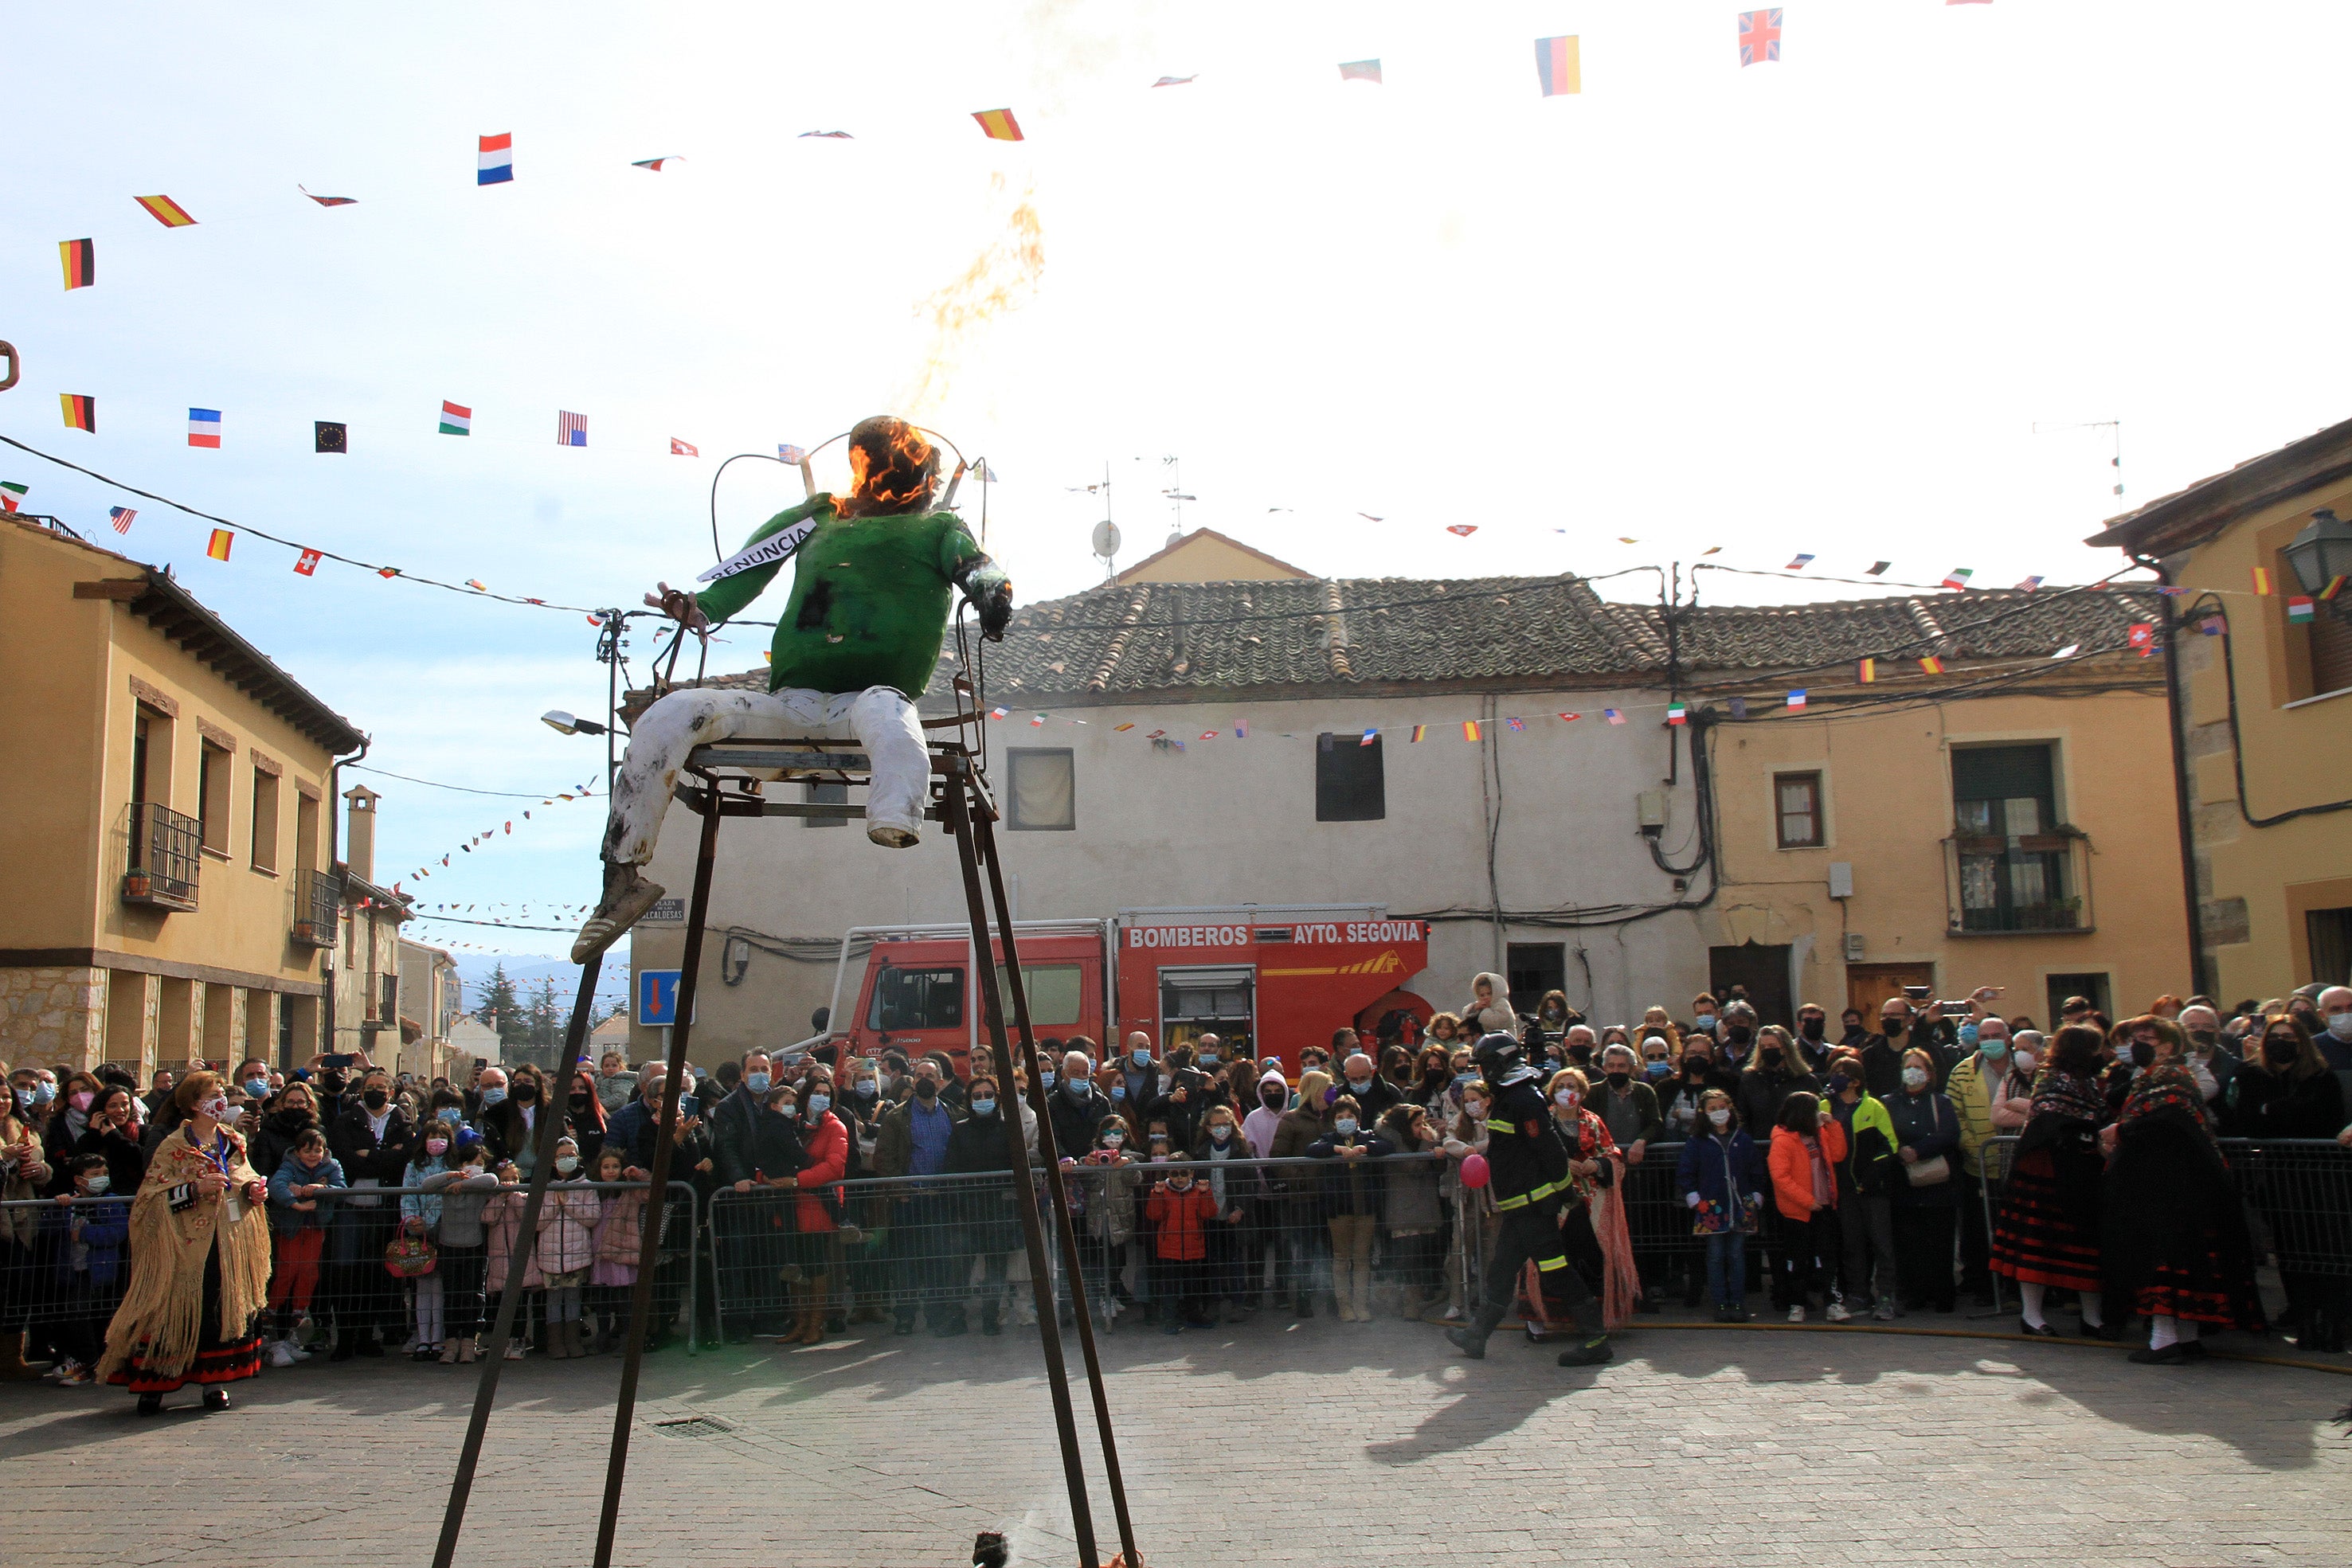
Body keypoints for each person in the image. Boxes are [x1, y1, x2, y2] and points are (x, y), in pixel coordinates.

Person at [573, 415, 1015, 960]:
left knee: (892, 721)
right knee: (668, 713)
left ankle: (896, 817)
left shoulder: (938, 529)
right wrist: (700, 607)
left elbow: (980, 569)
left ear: (919, 472)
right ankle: (622, 876)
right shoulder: (818, 516)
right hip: (789, 703)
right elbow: (748, 569)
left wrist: (993, 597)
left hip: (873, 696)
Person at [97, 1073, 271, 1414]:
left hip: (224, 1241)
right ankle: (155, 1385)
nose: (221, 1099)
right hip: (181, 1244)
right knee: (169, 1310)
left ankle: (213, 1382)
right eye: (213, 1094)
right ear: (194, 1103)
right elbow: (150, 1198)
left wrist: (252, 1190)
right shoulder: (173, 1146)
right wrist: (194, 1189)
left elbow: (243, 1174)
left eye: (222, 1093)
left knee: (216, 1310)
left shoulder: (233, 1140)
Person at [1446, 1033, 1610, 1367]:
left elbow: (1549, 1150)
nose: (1483, 1072)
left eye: (1487, 1065)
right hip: (1518, 1208)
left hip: (1534, 1207)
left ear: (1502, 1061)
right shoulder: (1510, 1097)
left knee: (1556, 1272)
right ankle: (1477, 1336)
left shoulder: (1523, 1099)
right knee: (1501, 1271)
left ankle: (1596, 1340)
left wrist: (1566, 1193)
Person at [2103, 1047, 2264, 1363]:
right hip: (2198, 1205)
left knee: (2165, 1266)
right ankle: (2188, 1338)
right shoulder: (2189, 1114)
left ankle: (2164, 1341)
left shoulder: (2162, 1115)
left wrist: (2121, 1130)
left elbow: (2153, 1133)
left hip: (2164, 1204)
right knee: (2192, 1267)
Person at [2227, 1014, 2346, 1351]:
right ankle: (2306, 1323)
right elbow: (2247, 1118)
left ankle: (2334, 1324)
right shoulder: (2252, 1075)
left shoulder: (2320, 1076)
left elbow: (2324, 1118)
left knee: (2328, 1251)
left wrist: (2273, 1110)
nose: (2282, 1042)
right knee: (2291, 1253)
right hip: (2278, 1179)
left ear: (2303, 1042)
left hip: (2321, 1175)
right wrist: (2279, 1112)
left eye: (2290, 1037)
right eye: (2275, 1036)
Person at [1990, 1025, 2110, 1339]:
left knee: (2085, 1241)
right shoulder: (2051, 1077)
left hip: (2083, 1167)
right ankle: (2032, 1316)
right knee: (2037, 1239)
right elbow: (2049, 1117)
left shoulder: (2091, 1083)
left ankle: (2092, 1317)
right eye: (2095, 1048)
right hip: (2045, 1166)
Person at [873, 1056, 965, 1335]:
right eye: (919, 1075)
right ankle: (905, 1315)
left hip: (941, 1200)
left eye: (930, 1075)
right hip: (910, 1200)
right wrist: (899, 1190)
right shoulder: (896, 1117)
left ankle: (936, 1315)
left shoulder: (954, 1114)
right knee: (906, 1261)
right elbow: (885, 1159)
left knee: (940, 1259)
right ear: (914, 1082)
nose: (924, 1080)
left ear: (940, 1081)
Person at [1941, 1011, 2014, 1306]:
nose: (1990, 1042)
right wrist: (1974, 1147)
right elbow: (1954, 1115)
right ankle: (1986, 1287)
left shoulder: (2026, 1070)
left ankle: (2019, 1288)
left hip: (2018, 1164)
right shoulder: (1961, 1072)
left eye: (1996, 1036)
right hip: (1979, 1166)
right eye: (1984, 1037)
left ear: (2008, 1039)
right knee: (1980, 1231)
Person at [42, 1155, 130, 1384]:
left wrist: (84, 1234)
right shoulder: (70, 1202)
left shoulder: (111, 1202)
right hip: (74, 1270)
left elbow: (118, 1232)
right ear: (79, 1180)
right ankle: (88, 1361)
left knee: (80, 1312)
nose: (101, 1178)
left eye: (104, 1173)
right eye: (94, 1175)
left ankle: (91, 1360)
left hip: (98, 1270)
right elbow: (48, 1230)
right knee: (74, 1314)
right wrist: (59, 1207)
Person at [1885, 1046, 1961, 1314]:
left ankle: (1942, 1294)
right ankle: (1913, 1294)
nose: (1913, 1072)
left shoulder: (1941, 1102)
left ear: (1929, 1074)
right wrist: (1901, 1150)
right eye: (1909, 1067)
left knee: (1939, 1241)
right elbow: (1884, 1135)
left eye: (1919, 1067)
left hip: (1937, 1185)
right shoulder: (1890, 1102)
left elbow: (1950, 1133)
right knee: (1908, 1242)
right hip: (1903, 1183)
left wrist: (1919, 1150)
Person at [1826, 1054, 1900, 1321]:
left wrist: (1871, 1176)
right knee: (1851, 1244)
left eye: (1842, 1073)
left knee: (1882, 1244)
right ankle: (1858, 1294)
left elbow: (1890, 1145)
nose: (1836, 1077)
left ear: (1855, 1081)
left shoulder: (1874, 1107)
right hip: (1842, 1190)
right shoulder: (1824, 1107)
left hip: (1872, 1188)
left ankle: (1887, 1296)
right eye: (1833, 1072)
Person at [1307, 1095, 1392, 1323]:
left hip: (1366, 1207)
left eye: (1350, 1116)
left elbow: (1386, 1145)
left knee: (1362, 1258)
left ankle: (1362, 1305)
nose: (1346, 1120)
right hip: (1338, 1208)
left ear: (1358, 1119)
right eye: (1340, 1117)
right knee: (1341, 1258)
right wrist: (1336, 1149)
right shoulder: (1327, 1139)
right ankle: (1344, 1305)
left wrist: (1366, 1148)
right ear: (1334, 1121)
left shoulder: (1368, 1137)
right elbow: (1313, 1149)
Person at [1767, 1092, 1845, 1323]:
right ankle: (1797, 1303)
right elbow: (1781, 1177)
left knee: (1828, 1257)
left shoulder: (1820, 1135)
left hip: (1824, 1206)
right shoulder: (1783, 1140)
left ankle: (1833, 1302)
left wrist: (1833, 1125)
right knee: (1798, 1259)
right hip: (1799, 1212)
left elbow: (1839, 1154)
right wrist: (1807, 1201)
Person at [781, 1078, 848, 1344]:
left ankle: (816, 1323)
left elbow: (833, 1167)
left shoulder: (835, 1127)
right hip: (791, 1206)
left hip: (818, 1206)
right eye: (816, 1093)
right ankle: (800, 1322)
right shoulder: (792, 1123)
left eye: (826, 1094)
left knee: (816, 1266)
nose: (821, 1098)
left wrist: (799, 1180)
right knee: (796, 1266)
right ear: (805, 1097)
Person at [428, 1132, 500, 1363]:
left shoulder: (481, 1185)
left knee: (472, 1296)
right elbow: (427, 1185)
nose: (475, 1168)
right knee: (452, 1296)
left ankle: (470, 1342)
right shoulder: (449, 1181)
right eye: (470, 1163)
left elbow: (492, 1180)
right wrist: (451, 1177)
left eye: (480, 1164)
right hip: (449, 1244)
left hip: (474, 1245)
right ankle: (451, 1343)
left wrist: (466, 1183)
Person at [1269, 1068, 1334, 1316]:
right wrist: (1301, 1179)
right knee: (1306, 1250)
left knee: (1329, 1250)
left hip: (1331, 1194)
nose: (1332, 1094)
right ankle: (1304, 1300)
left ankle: (1332, 1299)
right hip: (1304, 1197)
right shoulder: (1291, 1120)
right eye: (1328, 1089)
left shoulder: (1332, 1118)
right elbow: (1277, 1157)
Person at [532, 1136, 603, 1359]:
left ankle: (573, 1340)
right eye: (562, 1156)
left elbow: (593, 1218)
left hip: (577, 1254)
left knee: (573, 1298)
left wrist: (569, 1203)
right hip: (550, 1255)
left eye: (571, 1156)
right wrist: (555, 1202)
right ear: (553, 1161)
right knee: (553, 1300)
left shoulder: (587, 1186)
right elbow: (537, 1222)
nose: (567, 1160)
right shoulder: (543, 1186)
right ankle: (555, 1343)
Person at [1191, 1104, 1259, 1323]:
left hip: (1233, 1217)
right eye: (1217, 1125)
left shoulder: (1241, 1151)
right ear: (1208, 1128)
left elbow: (1251, 1184)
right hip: (1210, 1216)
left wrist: (1240, 1209)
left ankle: (1238, 1302)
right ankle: (1214, 1302)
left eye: (1226, 1124)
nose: (1222, 1129)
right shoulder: (1201, 1152)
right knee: (1212, 1262)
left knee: (1235, 1261)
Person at [1143, 1163, 1218, 1334]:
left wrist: (1206, 1193)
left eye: (1183, 1173)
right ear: (1169, 1173)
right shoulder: (1163, 1191)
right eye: (1175, 1173)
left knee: (1193, 1285)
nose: (1179, 1178)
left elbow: (1209, 1213)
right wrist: (1157, 1195)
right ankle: (1170, 1319)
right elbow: (1154, 1215)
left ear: (1191, 1173)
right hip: (1170, 1248)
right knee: (1170, 1287)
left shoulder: (1198, 1191)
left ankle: (1193, 1316)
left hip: (1193, 1246)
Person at [588, 1148, 645, 1355]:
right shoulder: (596, 1190)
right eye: (606, 1167)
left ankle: (626, 1338)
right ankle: (602, 1336)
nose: (611, 1171)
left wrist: (637, 1174)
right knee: (602, 1296)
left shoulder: (630, 1190)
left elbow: (650, 1191)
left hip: (621, 1250)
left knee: (623, 1297)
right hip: (600, 1248)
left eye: (615, 1166)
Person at [1336, 1051, 1400, 1122]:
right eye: (1354, 1079)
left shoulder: (1390, 1093)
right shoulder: (1339, 1094)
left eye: (1363, 1078)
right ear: (1346, 1075)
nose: (1359, 1083)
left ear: (1372, 1072)